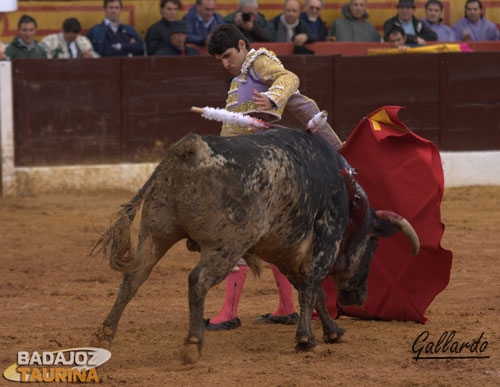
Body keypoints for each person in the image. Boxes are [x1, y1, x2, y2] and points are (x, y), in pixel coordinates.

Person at [203, 23, 342, 330]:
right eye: (219, 61)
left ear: (242, 46)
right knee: (270, 240)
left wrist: (274, 98)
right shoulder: (242, 74)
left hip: (252, 170)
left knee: (230, 234)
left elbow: (289, 79)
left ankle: (228, 313)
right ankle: (285, 308)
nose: (225, 64)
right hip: (240, 164)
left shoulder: (258, 61)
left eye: (227, 55)